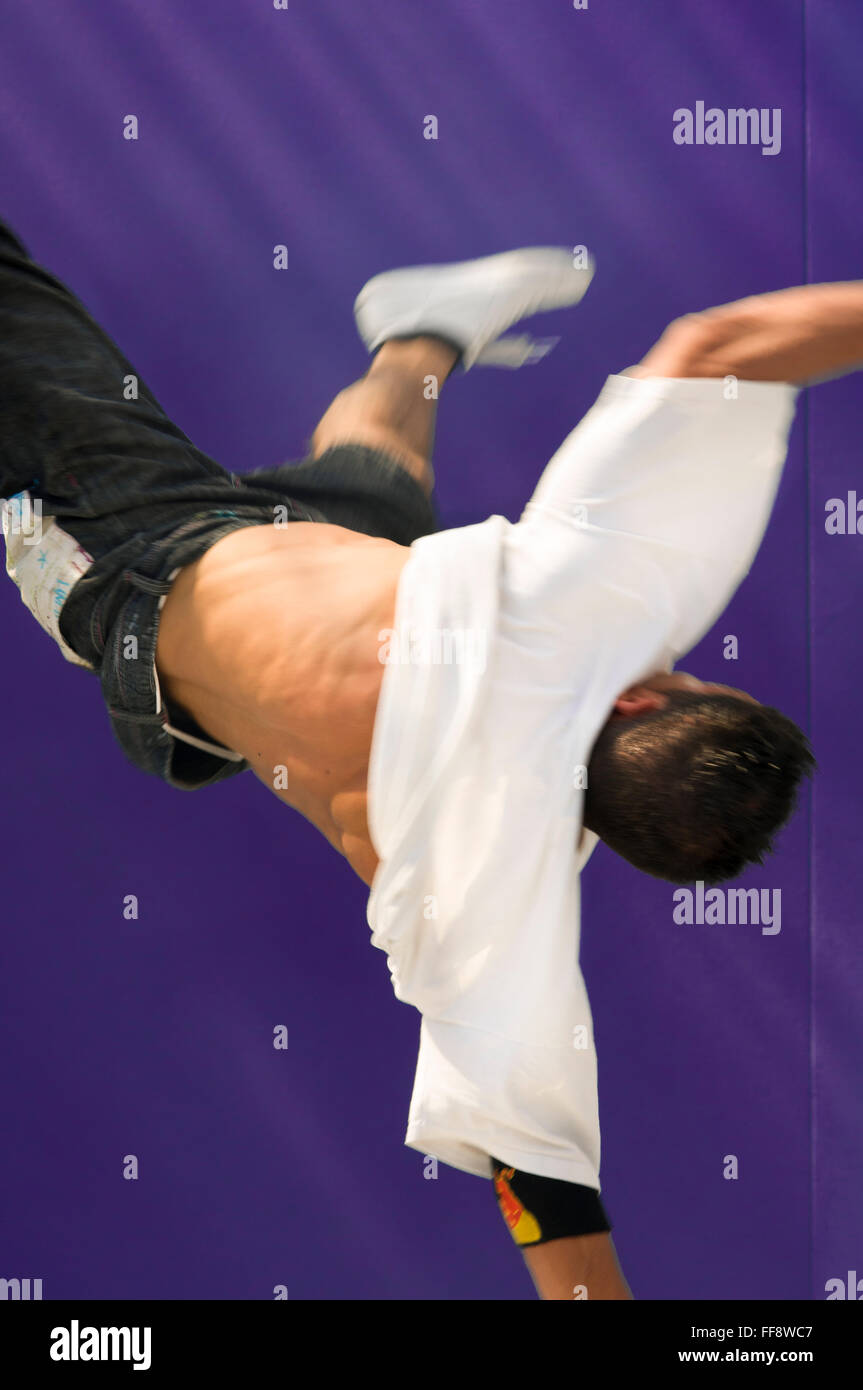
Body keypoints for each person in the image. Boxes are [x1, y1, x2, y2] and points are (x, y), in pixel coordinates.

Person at [6, 222, 854, 1298]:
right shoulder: (502, 908)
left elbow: (720, 344)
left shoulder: (577, 613)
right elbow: (548, 1201)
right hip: (279, 618)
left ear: (640, 694)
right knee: (378, 486)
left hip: (133, 555)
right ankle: (422, 334)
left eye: (686, 673)